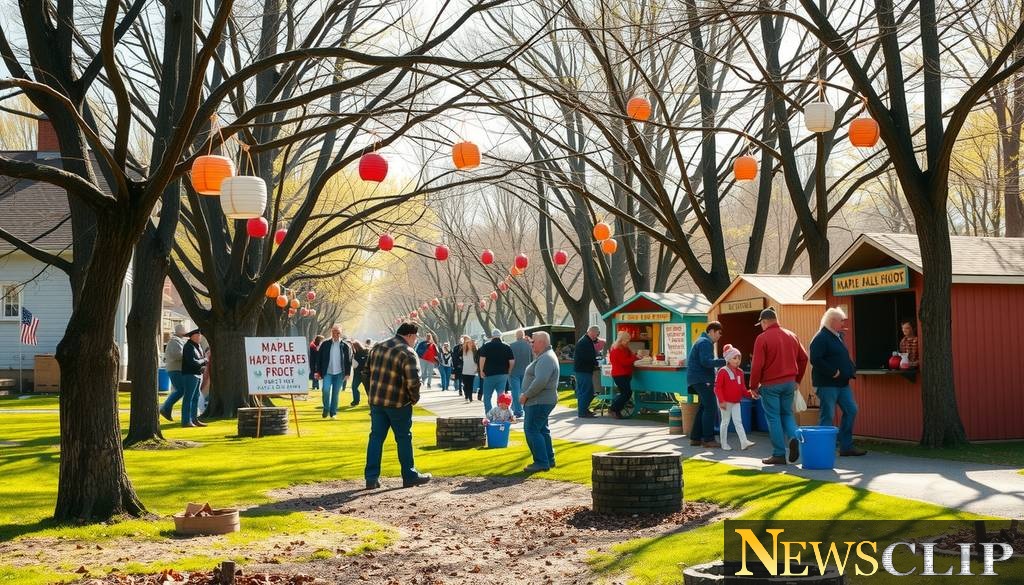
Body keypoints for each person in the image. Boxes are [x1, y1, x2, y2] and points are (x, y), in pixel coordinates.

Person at [363, 321, 431, 489]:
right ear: (410, 335)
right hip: (398, 402)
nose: (415, 341)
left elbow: (365, 373)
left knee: (376, 438)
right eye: (415, 338)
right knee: (403, 438)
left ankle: (371, 478)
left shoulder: (378, 347)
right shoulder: (407, 352)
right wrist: (414, 399)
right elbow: (414, 381)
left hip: (377, 401)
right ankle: (409, 475)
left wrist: (371, 394)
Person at [748, 307, 809, 465]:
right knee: (787, 414)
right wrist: (797, 380)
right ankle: (794, 437)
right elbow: (804, 358)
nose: (761, 326)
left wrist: (753, 386)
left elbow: (757, 365)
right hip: (789, 383)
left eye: (761, 323)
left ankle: (779, 454)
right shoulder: (791, 335)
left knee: (773, 418)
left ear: (765, 321)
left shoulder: (762, 338)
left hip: (770, 384)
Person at [810, 307, 866, 457]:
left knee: (851, 409)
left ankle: (845, 446)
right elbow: (815, 359)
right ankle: (823, 448)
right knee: (827, 415)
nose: (843, 323)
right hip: (827, 384)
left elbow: (841, 356)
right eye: (841, 320)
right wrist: (833, 371)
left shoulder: (837, 336)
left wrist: (850, 368)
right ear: (832, 321)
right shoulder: (821, 337)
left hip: (842, 384)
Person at [520, 331, 559, 472]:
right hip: (540, 401)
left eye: (533, 341)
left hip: (538, 401)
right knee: (542, 430)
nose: (531, 344)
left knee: (531, 430)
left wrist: (526, 395)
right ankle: (549, 459)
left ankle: (541, 462)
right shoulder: (545, 357)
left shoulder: (546, 358)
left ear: (542, 342)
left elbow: (541, 381)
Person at [686, 321, 726, 448]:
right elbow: (706, 362)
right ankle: (708, 439)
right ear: (712, 331)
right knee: (711, 407)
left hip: (697, 379)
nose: (720, 336)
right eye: (719, 333)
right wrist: (725, 361)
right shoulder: (705, 343)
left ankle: (695, 438)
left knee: (704, 407)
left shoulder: (701, 341)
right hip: (703, 380)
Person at [715, 344, 755, 451]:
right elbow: (717, 388)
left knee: (738, 421)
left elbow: (742, 389)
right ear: (728, 359)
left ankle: (744, 442)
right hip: (726, 402)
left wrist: (751, 394)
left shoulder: (740, 372)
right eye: (734, 358)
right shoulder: (722, 371)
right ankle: (724, 444)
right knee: (725, 422)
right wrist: (721, 401)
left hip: (737, 401)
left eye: (739, 358)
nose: (737, 360)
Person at [315, 325, 352, 419]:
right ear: (331, 332)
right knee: (325, 390)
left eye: (338, 332)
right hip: (327, 372)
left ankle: (333, 412)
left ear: (340, 333)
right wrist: (318, 372)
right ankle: (326, 408)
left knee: (335, 393)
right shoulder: (325, 344)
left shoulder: (345, 345)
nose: (335, 334)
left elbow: (348, 361)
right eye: (334, 332)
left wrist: (347, 373)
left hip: (339, 373)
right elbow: (319, 358)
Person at [478, 328, 515, 415]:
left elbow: (482, 359)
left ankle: (489, 415)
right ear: (500, 336)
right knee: (501, 395)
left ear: (492, 337)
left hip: (489, 374)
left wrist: (481, 370)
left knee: (487, 396)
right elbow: (512, 361)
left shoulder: (486, 346)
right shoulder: (507, 346)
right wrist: (509, 371)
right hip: (502, 374)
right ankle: (501, 414)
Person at [607, 331, 642, 419]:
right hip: (620, 374)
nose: (628, 342)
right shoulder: (617, 349)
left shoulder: (624, 348)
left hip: (624, 374)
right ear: (622, 340)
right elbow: (625, 362)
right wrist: (635, 358)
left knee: (625, 393)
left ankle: (616, 410)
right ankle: (613, 408)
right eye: (627, 340)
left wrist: (636, 357)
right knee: (626, 393)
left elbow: (630, 357)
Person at [159, 323, 189, 421]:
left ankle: (166, 408)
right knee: (181, 390)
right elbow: (177, 355)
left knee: (180, 390)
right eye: (184, 330)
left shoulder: (180, 341)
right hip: (175, 369)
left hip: (178, 369)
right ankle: (165, 408)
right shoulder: (174, 341)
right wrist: (190, 356)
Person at [180, 327, 208, 428]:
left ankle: (194, 420)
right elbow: (192, 362)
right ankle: (186, 421)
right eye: (198, 335)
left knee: (195, 398)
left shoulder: (198, 346)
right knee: (188, 398)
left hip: (198, 374)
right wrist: (204, 360)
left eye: (200, 335)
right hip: (190, 375)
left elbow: (199, 360)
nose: (200, 336)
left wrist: (203, 361)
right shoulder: (188, 347)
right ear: (193, 336)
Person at [573, 325, 601, 419]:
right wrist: (597, 362)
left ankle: (583, 410)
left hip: (582, 370)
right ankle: (583, 412)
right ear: (592, 332)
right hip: (583, 370)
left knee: (585, 391)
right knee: (586, 391)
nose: (596, 337)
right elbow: (588, 357)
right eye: (596, 335)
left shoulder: (585, 340)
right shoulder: (585, 342)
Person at [508, 329, 532, 419]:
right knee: (525, 391)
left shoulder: (511, 346)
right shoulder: (529, 346)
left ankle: (518, 410)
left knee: (515, 391)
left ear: (516, 336)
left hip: (514, 371)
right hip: (527, 371)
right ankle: (525, 409)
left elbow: (509, 359)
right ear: (523, 335)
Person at [350, 340, 370, 406]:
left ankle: (371, 401)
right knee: (354, 387)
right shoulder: (354, 354)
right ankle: (356, 401)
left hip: (365, 374)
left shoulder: (365, 351)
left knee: (367, 388)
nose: (352, 348)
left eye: (353, 347)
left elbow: (366, 362)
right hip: (357, 374)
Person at [460, 337, 480, 403]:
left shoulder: (475, 352)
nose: (470, 344)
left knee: (470, 385)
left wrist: (477, 368)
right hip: (465, 370)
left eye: (471, 343)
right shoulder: (464, 351)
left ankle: (470, 398)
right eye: (468, 343)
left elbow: (477, 361)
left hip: (472, 370)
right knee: (466, 385)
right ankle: (466, 396)